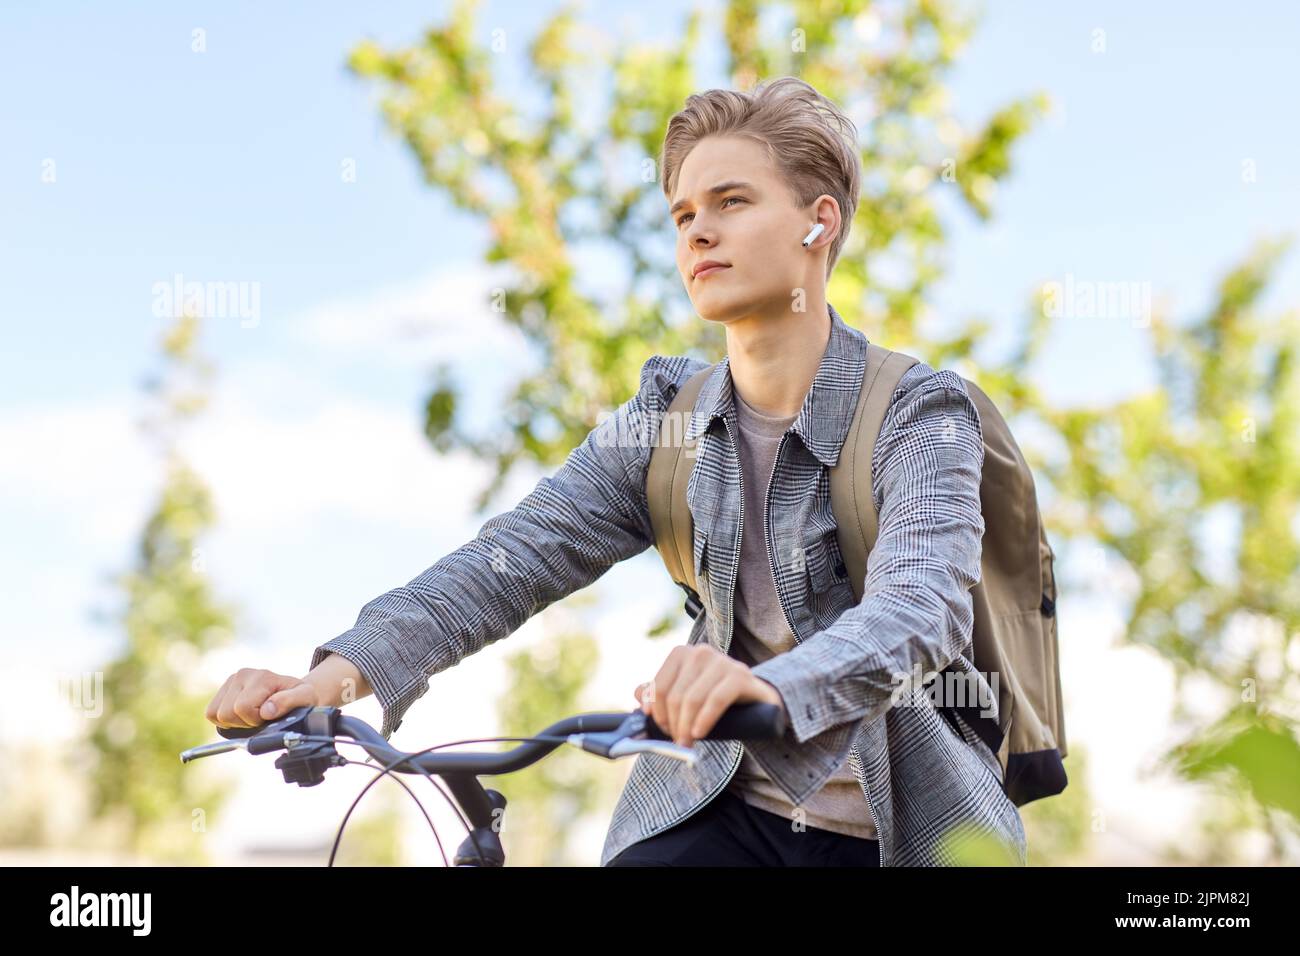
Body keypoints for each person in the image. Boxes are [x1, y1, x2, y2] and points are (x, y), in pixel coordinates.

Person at [206, 76, 1025, 867]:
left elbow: (919, 610)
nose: (697, 233)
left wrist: (771, 690)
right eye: (683, 214)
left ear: (820, 223)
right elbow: (513, 559)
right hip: (720, 811)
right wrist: (334, 676)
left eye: (731, 202)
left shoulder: (916, 414)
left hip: (904, 831)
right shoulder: (670, 417)